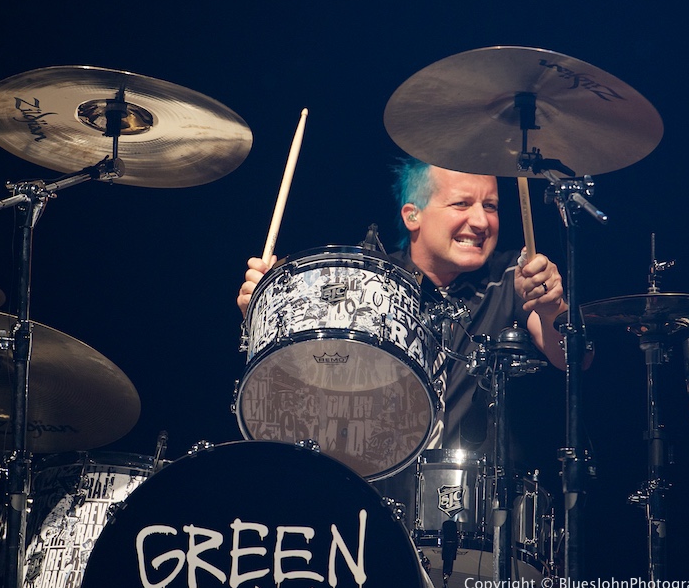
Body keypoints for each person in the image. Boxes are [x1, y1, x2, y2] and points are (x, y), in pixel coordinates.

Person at [237, 157, 570, 454]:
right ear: (413, 215)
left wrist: (551, 308)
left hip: (479, 491)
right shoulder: (369, 281)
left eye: (491, 206)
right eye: (461, 204)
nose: (481, 221)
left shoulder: (512, 276)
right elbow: (311, 379)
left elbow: (574, 359)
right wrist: (265, 313)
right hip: (375, 482)